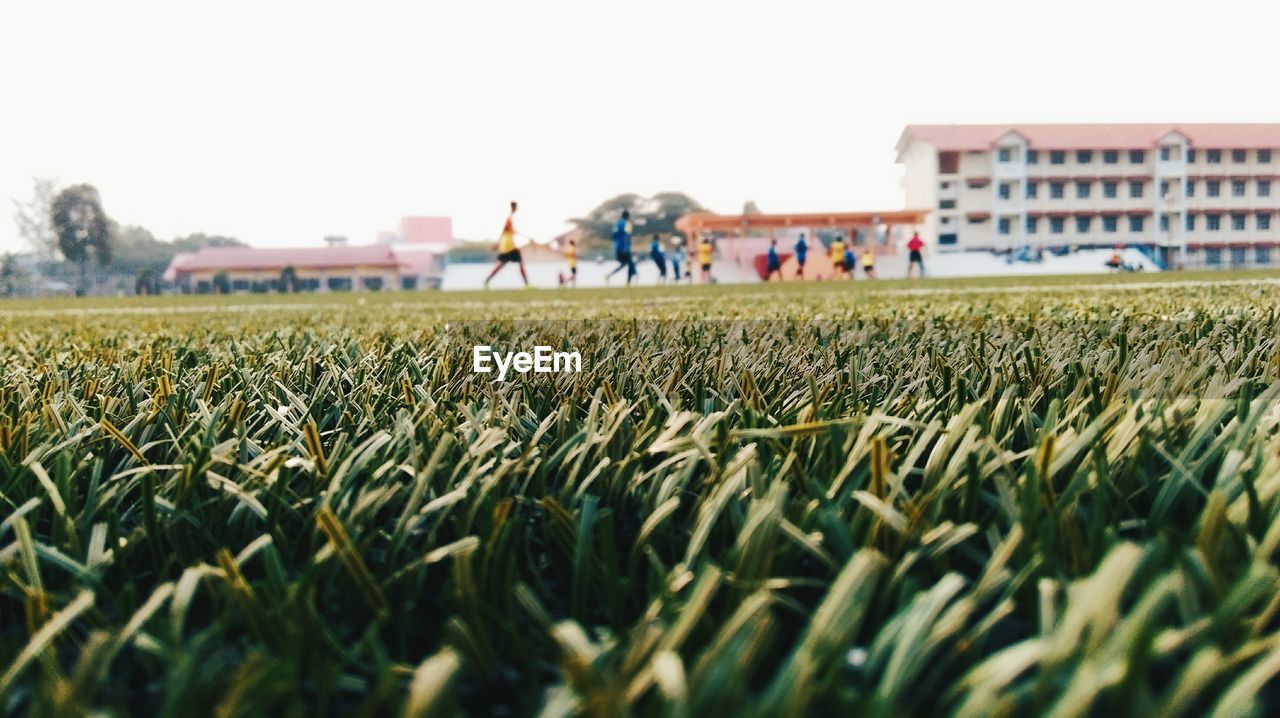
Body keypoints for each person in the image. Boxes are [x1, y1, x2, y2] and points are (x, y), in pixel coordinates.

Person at [484, 201, 528, 288]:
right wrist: (498, 243)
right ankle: (527, 284)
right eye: (515, 207)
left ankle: (487, 280)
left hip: (506, 245)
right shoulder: (509, 219)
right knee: (520, 263)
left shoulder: (510, 218)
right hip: (509, 245)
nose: (516, 209)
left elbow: (510, 231)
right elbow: (504, 231)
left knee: (502, 264)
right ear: (513, 207)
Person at [606, 210, 638, 285]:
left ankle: (609, 276)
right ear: (628, 216)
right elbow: (627, 236)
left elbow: (613, 236)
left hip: (617, 248)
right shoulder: (627, 224)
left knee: (625, 264)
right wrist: (626, 247)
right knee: (631, 264)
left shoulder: (617, 224)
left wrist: (617, 244)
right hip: (625, 248)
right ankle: (628, 283)